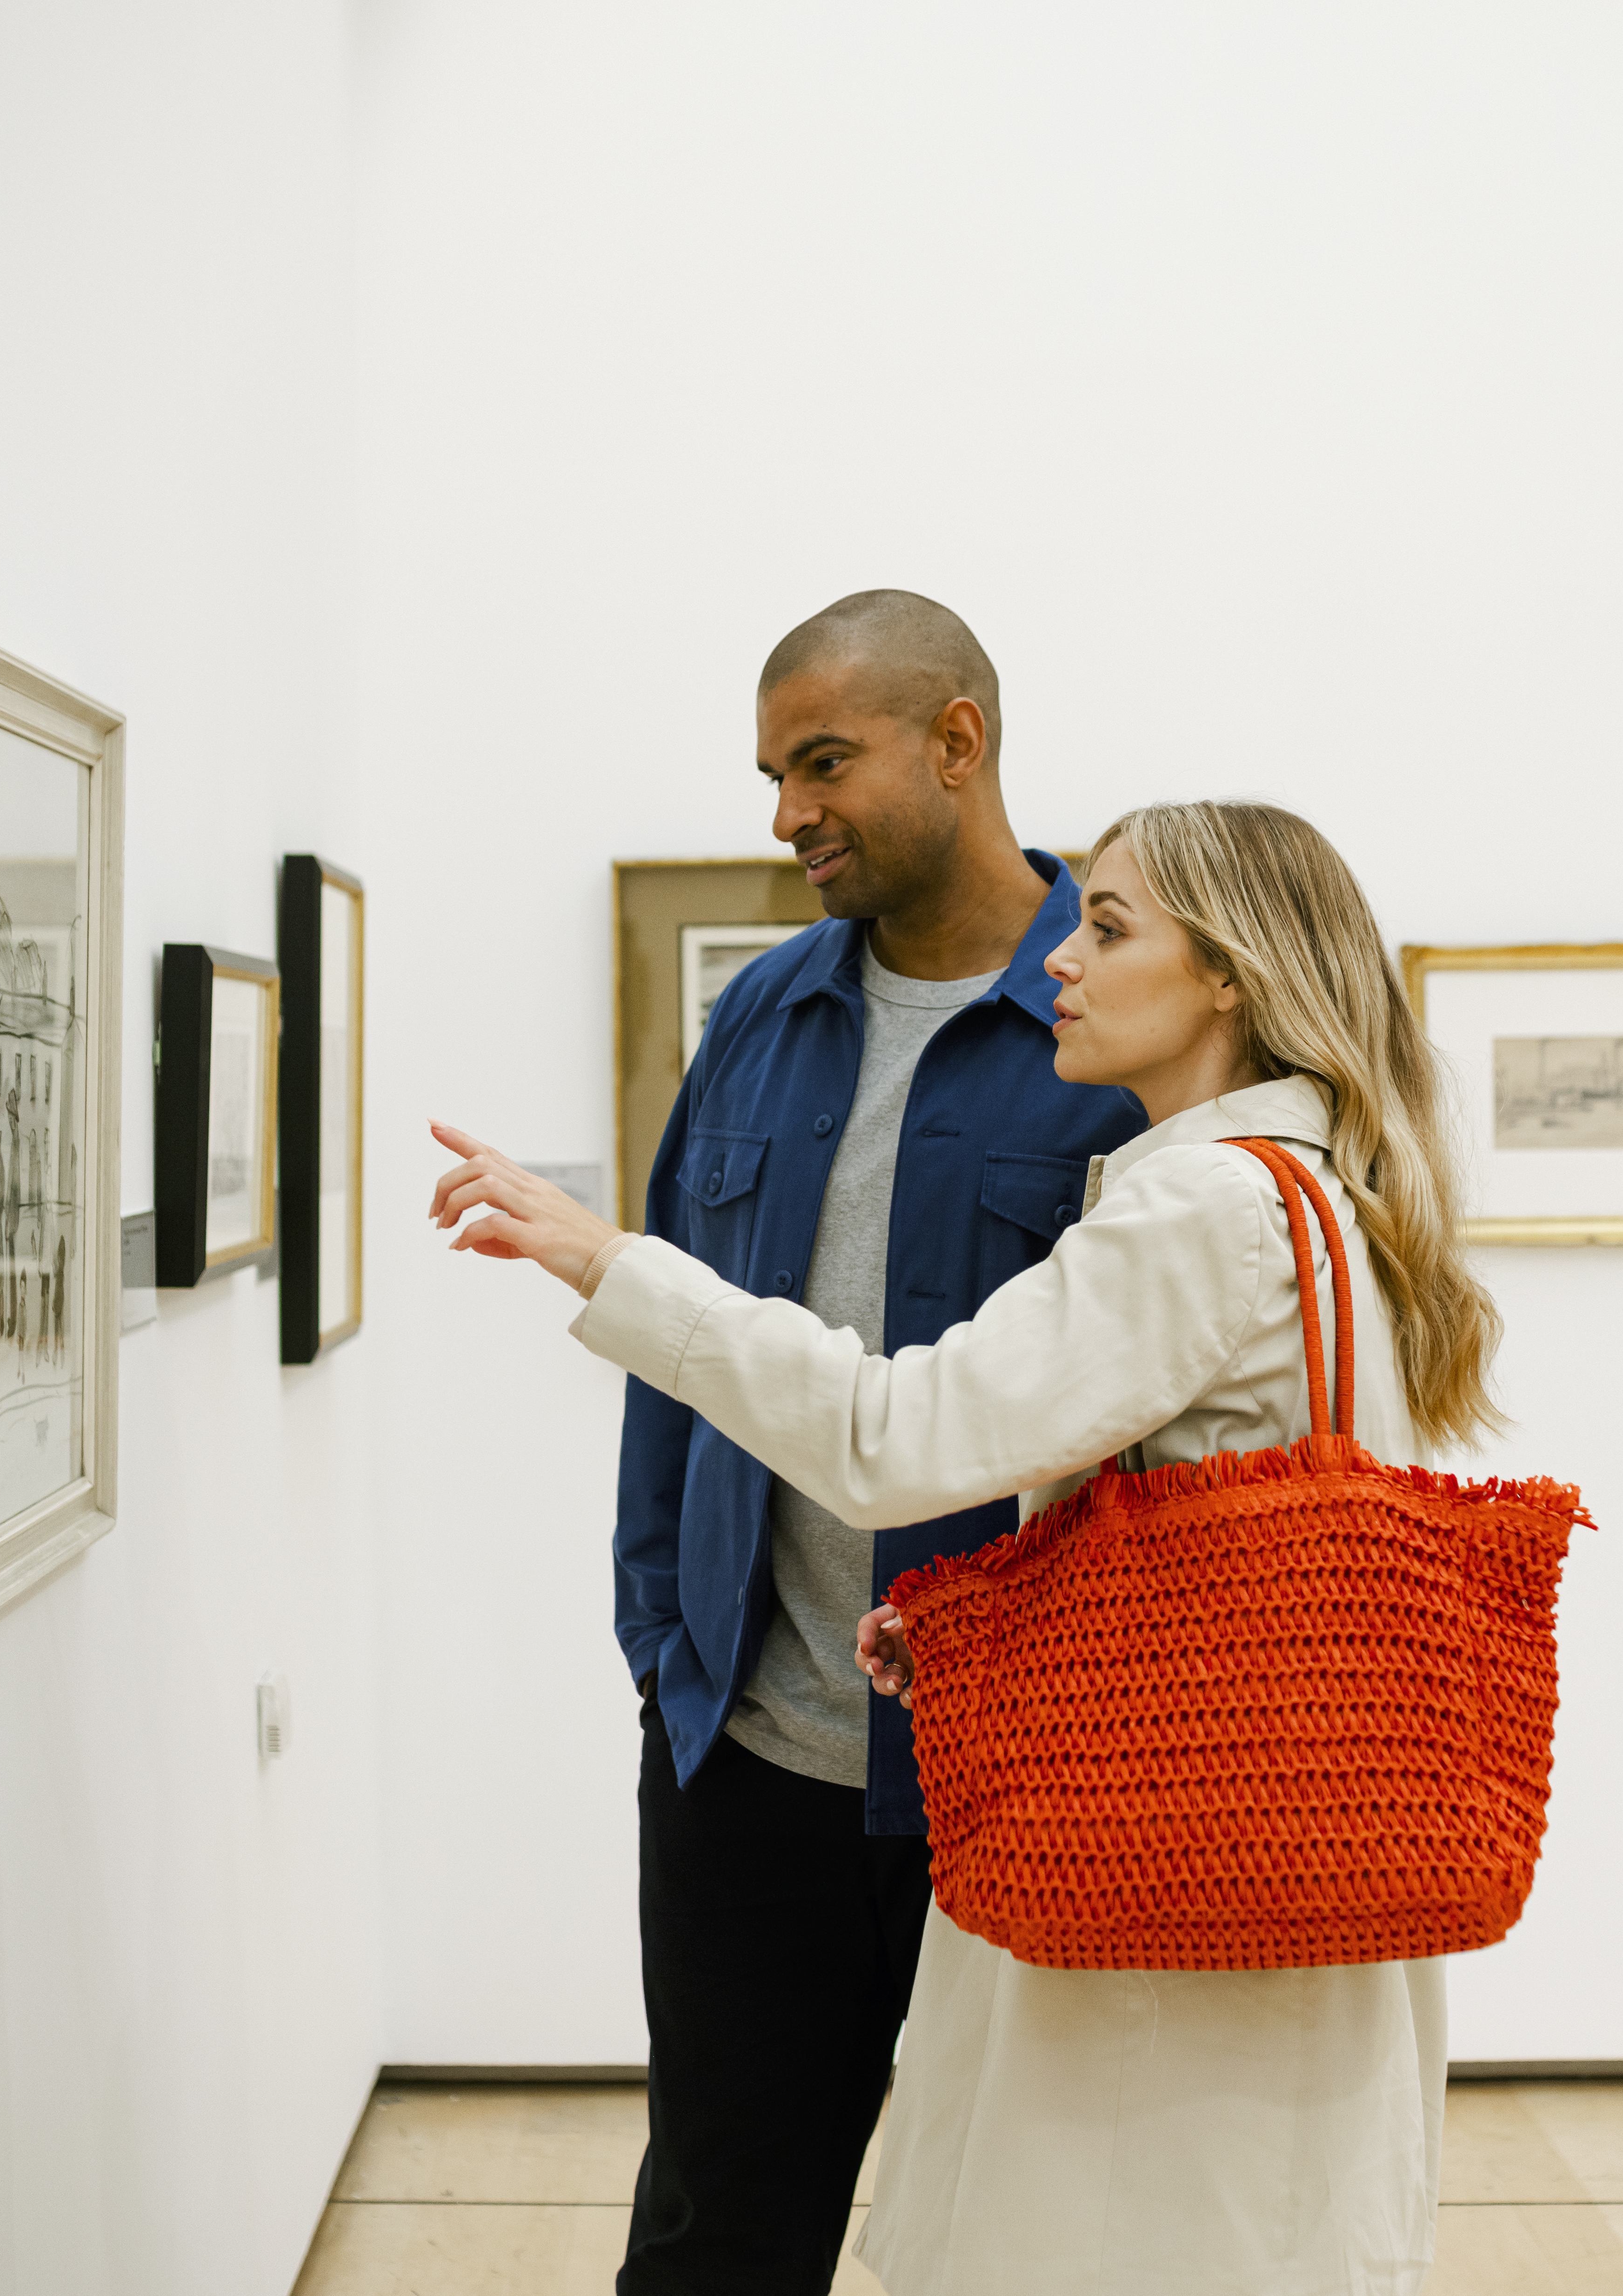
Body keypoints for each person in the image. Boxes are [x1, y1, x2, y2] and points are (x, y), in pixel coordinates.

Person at [432, 798, 1507, 2296]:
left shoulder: (1200, 1209)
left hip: (1161, 1911)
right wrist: (995, 1609)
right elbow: (1196, 1508)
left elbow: (895, 1439)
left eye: (1112, 928)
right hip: (1255, 1876)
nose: (1061, 958)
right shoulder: (1311, 1199)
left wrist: (606, 1261)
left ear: (1230, 980)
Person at [554, 590, 1149, 2294]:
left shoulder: (1113, 1031)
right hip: (750, 1757)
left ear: (957, 740)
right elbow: (677, 1349)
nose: (786, 813)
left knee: (1014, 2244)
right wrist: (664, 1637)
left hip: (1019, 1768)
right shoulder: (763, 1017)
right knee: (714, 2234)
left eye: (824, 761)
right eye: (770, 772)